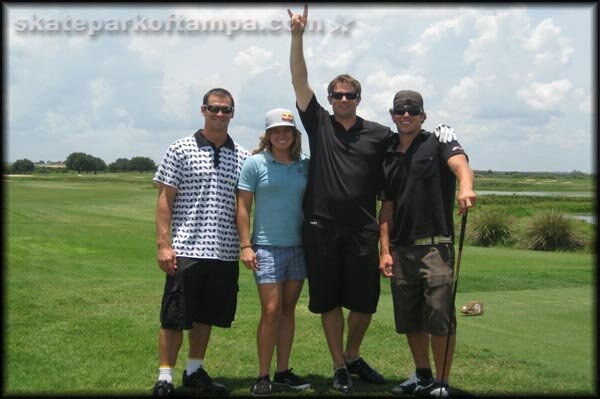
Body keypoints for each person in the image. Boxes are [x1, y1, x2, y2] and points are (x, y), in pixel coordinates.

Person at [287, 5, 457, 394]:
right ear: (329, 98)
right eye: (337, 95)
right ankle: (338, 367)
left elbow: (415, 139)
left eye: (349, 95)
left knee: (364, 304)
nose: (342, 100)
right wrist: (297, 36)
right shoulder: (319, 123)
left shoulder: (380, 134)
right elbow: (300, 79)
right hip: (321, 226)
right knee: (328, 301)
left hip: (364, 229)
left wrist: (444, 132)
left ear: (359, 99)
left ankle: (352, 355)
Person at [151, 88, 250, 397]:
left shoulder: (244, 156)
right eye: (213, 109)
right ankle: (165, 377)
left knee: (206, 315)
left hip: (224, 251)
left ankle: (195, 369)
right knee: (174, 315)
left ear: (233, 113)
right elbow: (165, 200)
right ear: (203, 110)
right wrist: (163, 244)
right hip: (186, 248)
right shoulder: (180, 149)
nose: (219, 114)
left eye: (225, 110)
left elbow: (242, 206)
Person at [378, 90, 476, 398]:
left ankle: (442, 382)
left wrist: (466, 187)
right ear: (392, 115)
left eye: (412, 111)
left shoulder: (439, 141)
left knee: (439, 316)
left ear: (423, 115)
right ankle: (422, 375)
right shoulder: (389, 152)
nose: (406, 115)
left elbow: (460, 164)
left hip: (436, 245)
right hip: (400, 247)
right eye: (400, 111)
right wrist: (384, 250)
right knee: (410, 318)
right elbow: (387, 207)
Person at [236, 108, 311, 396]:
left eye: (287, 130)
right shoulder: (255, 164)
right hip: (265, 247)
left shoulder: (305, 164)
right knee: (270, 311)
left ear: (295, 135)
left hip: (298, 247)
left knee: (288, 311)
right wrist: (246, 246)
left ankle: (282, 371)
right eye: (276, 131)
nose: (282, 135)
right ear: (268, 135)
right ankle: (262, 375)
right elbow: (243, 207)